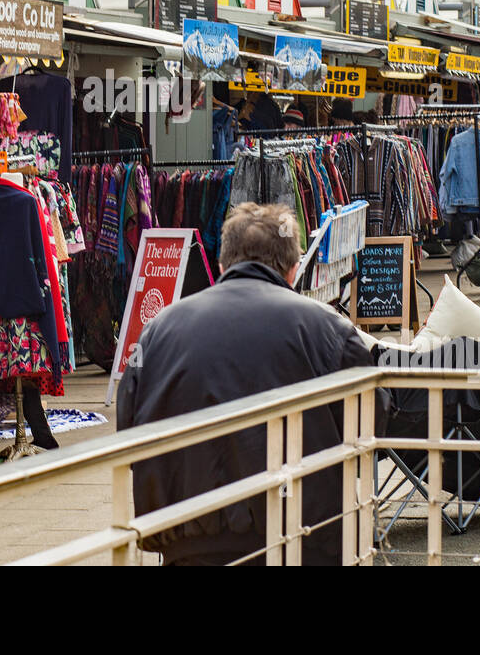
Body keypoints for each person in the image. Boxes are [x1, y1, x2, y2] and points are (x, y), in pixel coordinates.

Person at [116, 202, 380, 566]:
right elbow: (373, 422)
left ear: (223, 265)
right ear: (292, 270)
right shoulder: (328, 329)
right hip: (303, 535)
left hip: (186, 536)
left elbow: (127, 427)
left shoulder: (157, 332)